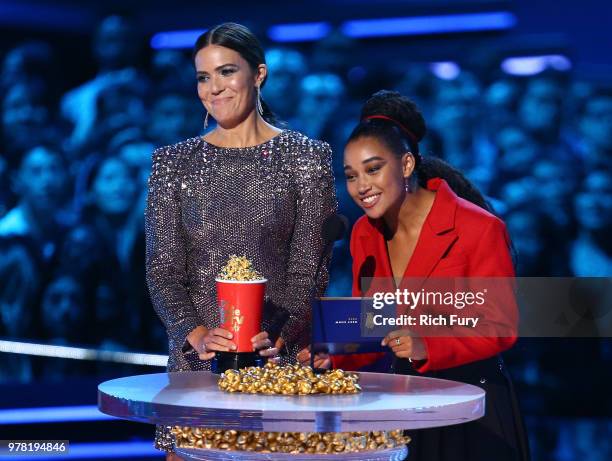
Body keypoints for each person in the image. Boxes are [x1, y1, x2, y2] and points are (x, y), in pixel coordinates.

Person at [299, 90, 529, 460]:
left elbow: (500, 326)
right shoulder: (363, 233)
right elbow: (373, 323)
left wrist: (429, 344)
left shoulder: (478, 228)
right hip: (403, 406)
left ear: (406, 165)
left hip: (473, 408)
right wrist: (334, 354)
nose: (362, 187)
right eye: (352, 175)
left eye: (373, 169)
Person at [145, 22, 337, 457]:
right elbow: (163, 269)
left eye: (227, 72)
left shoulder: (306, 159)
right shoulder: (173, 164)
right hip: (197, 364)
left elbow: (310, 268)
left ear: (259, 75)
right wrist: (194, 333)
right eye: (203, 77)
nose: (214, 88)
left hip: (276, 359)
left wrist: (277, 334)